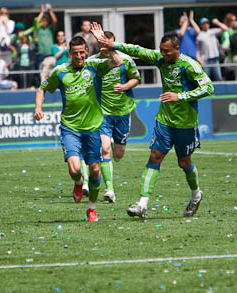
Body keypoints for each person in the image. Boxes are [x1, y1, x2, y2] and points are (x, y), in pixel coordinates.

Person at [92, 22, 214, 218]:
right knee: (155, 157)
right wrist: (113, 45)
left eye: (167, 51)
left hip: (185, 123)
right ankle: (142, 204)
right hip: (164, 120)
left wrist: (179, 96)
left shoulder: (190, 65)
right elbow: (138, 50)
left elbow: (209, 88)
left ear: (177, 48)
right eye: (161, 51)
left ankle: (195, 194)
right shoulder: (160, 59)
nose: (163, 55)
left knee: (184, 163)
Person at [34, 34, 123, 222]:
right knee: (75, 169)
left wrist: (109, 46)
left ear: (87, 52)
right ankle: (78, 182)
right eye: (76, 53)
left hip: (92, 128)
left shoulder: (94, 67)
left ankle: (91, 208)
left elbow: (118, 62)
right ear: (69, 53)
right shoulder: (60, 72)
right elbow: (42, 88)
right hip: (70, 128)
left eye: (82, 52)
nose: (79, 56)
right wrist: (38, 107)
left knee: (95, 170)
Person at [83, 31, 141, 203]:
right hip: (102, 113)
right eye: (103, 43)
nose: (106, 47)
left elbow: (136, 79)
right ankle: (110, 189)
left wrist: (124, 86)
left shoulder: (126, 59)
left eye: (110, 44)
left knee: (118, 154)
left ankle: (116, 147)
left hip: (123, 112)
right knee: (104, 148)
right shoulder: (92, 62)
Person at [196, 17, 225, 81]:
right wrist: (199, 59)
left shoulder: (213, 31)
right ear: (201, 25)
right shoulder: (199, 35)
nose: (206, 25)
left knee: (219, 78)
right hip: (205, 60)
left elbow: (225, 28)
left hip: (215, 59)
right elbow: (197, 49)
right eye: (204, 24)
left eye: (207, 23)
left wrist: (217, 22)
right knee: (205, 79)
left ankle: (221, 91)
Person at [35, 4, 58, 68]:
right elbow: (37, 21)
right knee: (41, 72)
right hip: (41, 54)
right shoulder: (38, 29)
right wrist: (42, 12)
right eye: (43, 20)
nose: (44, 22)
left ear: (48, 21)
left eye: (46, 20)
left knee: (51, 72)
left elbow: (55, 21)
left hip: (50, 53)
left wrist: (50, 11)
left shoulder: (50, 29)